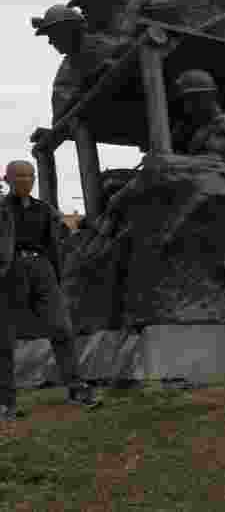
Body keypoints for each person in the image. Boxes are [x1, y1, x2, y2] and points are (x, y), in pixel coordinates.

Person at [0, 161, 100, 420]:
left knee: (61, 327)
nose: (25, 180)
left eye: (30, 176)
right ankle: (5, 402)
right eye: (19, 176)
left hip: (43, 270)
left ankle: (76, 388)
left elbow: (62, 238)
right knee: (4, 338)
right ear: (7, 179)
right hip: (9, 272)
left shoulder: (45, 210)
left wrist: (57, 271)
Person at [170, 70, 225, 162]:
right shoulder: (185, 125)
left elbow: (213, 158)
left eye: (191, 98)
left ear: (208, 96)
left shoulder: (223, 122)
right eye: (185, 99)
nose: (186, 104)